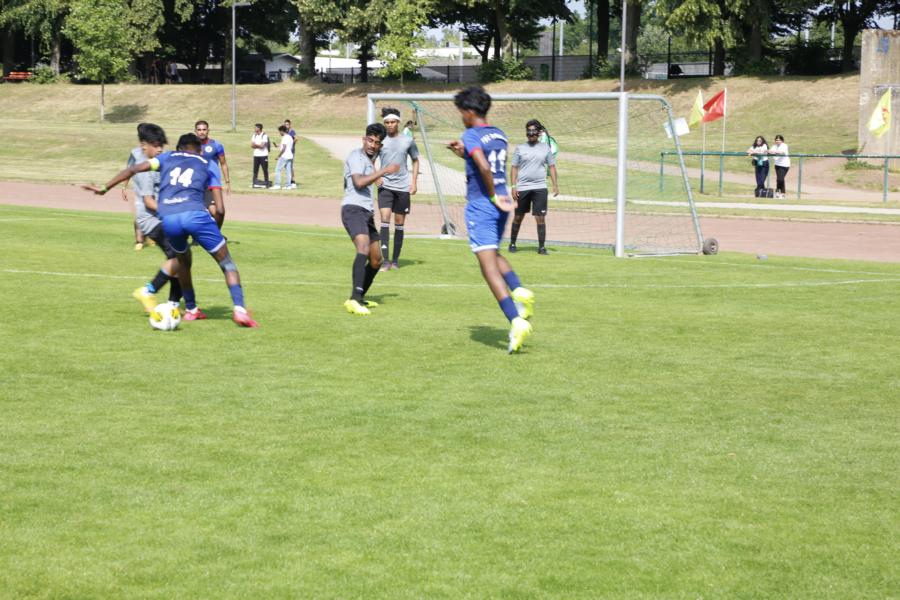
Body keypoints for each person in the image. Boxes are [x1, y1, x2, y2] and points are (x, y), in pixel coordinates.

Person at [82, 132, 258, 328]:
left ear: (179, 148)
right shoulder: (208, 163)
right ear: (200, 150)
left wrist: (104, 188)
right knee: (226, 262)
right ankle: (240, 310)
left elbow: (134, 169)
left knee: (182, 262)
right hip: (196, 215)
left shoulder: (166, 157)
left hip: (169, 217)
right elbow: (220, 208)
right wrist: (214, 230)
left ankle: (191, 309)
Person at [446, 86, 534, 354]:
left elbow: (484, 166)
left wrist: (493, 194)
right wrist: (463, 154)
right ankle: (519, 290)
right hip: (502, 203)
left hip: (483, 204)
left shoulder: (470, 134)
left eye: (461, 112)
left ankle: (515, 320)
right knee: (493, 254)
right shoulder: (499, 134)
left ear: (469, 111)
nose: (461, 117)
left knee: (487, 267)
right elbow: (488, 162)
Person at [125, 123, 191, 317]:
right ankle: (148, 291)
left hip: (161, 217)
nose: (160, 149)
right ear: (144, 145)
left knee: (180, 258)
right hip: (151, 219)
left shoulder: (145, 156)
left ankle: (173, 303)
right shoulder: (146, 169)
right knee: (178, 257)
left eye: (162, 144)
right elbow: (149, 202)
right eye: (156, 145)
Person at [341, 123, 400, 316]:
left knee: (376, 260)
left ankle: (358, 297)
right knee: (363, 248)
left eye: (377, 142)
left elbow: (381, 152)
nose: (372, 145)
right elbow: (358, 183)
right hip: (352, 209)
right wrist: (383, 171)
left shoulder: (369, 158)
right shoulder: (356, 156)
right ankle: (354, 299)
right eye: (370, 140)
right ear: (363, 139)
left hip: (366, 212)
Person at [377, 108, 420, 271]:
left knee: (399, 223)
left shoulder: (407, 141)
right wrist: (375, 177)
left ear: (398, 123)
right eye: (387, 122)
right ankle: (385, 261)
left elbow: (416, 160)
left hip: (402, 187)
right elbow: (370, 159)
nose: (389, 125)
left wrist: (414, 182)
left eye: (392, 122)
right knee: (385, 219)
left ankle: (395, 260)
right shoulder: (380, 140)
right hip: (385, 186)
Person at [508, 119, 559, 255]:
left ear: (539, 133)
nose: (531, 134)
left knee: (540, 217)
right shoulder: (520, 148)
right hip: (523, 187)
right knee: (518, 216)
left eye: (533, 131)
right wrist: (513, 186)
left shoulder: (545, 148)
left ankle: (541, 248)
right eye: (528, 131)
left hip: (540, 187)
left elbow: (552, 166)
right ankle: (512, 243)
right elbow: (514, 168)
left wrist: (555, 184)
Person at [195, 120, 232, 200]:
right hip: (195, 182)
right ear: (195, 131)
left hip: (211, 183)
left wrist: (227, 182)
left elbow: (223, 164)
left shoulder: (216, 145)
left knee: (214, 207)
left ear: (208, 130)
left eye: (204, 129)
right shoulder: (190, 146)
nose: (202, 132)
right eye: (199, 130)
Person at [273, 125, 294, 190]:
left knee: (277, 170)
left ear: (282, 131)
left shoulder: (284, 137)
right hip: (290, 156)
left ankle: (277, 185)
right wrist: (278, 145)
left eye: (279, 131)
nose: (279, 133)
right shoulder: (290, 137)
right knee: (288, 171)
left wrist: (278, 156)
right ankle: (288, 185)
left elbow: (284, 148)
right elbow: (287, 146)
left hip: (284, 156)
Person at [769, 134, 790, 199]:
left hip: (785, 165)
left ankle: (778, 191)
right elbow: (770, 151)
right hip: (777, 164)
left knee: (780, 179)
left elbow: (781, 152)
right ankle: (782, 193)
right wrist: (772, 152)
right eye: (776, 140)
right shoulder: (774, 146)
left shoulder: (784, 145)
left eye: (779, 140)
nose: (778, 141)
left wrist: (774, 152)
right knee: (780, 179)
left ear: (782, 141)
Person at [250, 123, 270, 187]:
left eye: (255, 127)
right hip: (256, 155)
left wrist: (256, 145)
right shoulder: (254, 135)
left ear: (259, 128)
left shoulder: (264, 135)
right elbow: (252, 145)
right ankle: (254, 182)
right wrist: (258, 145)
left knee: (265, 169)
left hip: (263, 155)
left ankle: (267, 182)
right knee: (255, 170)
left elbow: (262, 146)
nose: (254, 129)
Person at [283, 119, 297, 188]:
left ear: (290, 125)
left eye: (287, 124)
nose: (286, 125)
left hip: (291, 151)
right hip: (286, 151)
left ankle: (293, 181)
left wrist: (291, 145)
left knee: (290, 165)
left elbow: (296, 138)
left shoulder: (291, 131)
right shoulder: (285, 132)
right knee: (286, 165)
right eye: (285, 124)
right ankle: (289, 181)